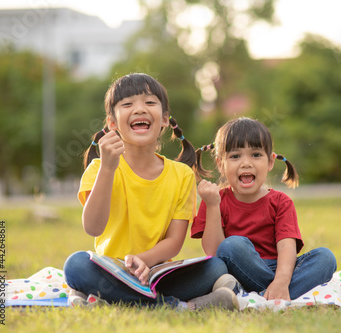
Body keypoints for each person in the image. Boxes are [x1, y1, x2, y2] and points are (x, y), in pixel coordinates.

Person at [63, 73, 238, 310]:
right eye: (127, 104)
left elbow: (175, 241)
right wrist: (107, 168)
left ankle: (103, 298)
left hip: (157, 273)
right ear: (112, 123)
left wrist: (143, 261)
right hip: (112, 269)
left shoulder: (182, 175)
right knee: (76, 265)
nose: (139, 109)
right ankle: (180, 307)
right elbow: (93, 227)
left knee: (215, 267)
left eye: (149, 102)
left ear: (165, 119)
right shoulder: (99, 168)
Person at [191, 117, 337, 301]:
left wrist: (281, 280)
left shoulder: (281, 202)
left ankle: (261, 295)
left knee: (325, 258)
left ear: (270, 162)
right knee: (231, 245)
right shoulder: (214, 200)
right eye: (235, 156)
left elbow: (286, 246)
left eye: (256, 155)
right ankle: (274, 295)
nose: (246, 163)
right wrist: (213, 205)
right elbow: (214, 252)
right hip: (238, 270)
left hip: (281, 269)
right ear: (221, 164)